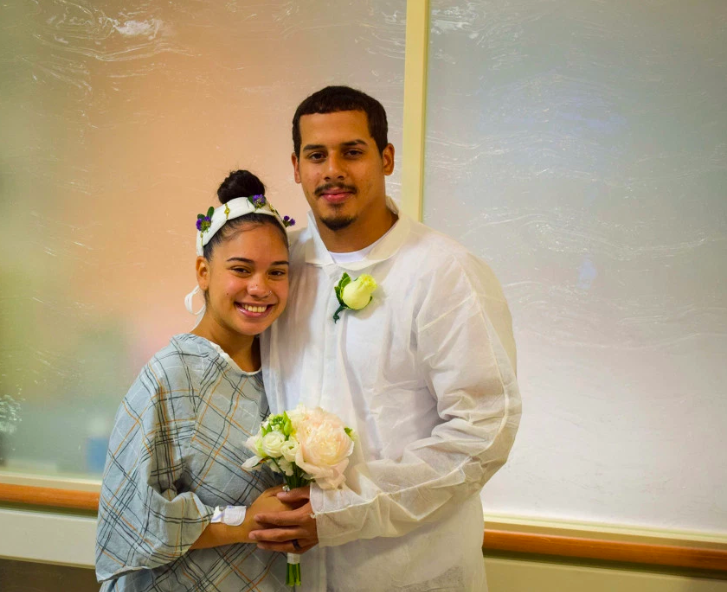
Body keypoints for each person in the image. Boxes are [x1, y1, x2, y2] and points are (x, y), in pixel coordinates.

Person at [250, 86, 522, 591]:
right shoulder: (276, 270)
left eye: (352, 152)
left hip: (411, 571)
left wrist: (341, 510)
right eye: (316, 155)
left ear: (386, 158)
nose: (333, 170)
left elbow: (482, 432)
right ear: (295, 167)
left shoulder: (444, 273)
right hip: (292, 573)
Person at [95, 170, 297, 591]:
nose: (259, 287)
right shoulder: (172, 374)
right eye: (241, 269)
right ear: (203, 272)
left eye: (277, 272)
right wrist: (245, 522)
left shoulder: (286, 369)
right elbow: (133, 520)